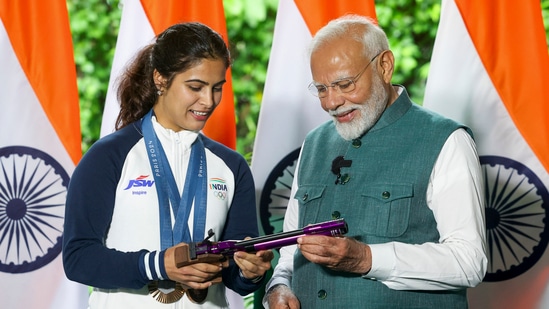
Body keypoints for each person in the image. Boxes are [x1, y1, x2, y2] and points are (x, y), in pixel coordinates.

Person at [264, 15, 487, 309]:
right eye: (321, 88)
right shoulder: (314, 142)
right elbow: (291, 249)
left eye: (344, 84)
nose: (331, 102)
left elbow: (469, 262)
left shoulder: (446, 140)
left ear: (384, 66)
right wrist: (279, 287)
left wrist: (366, 259)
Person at [63, 22, 273, 309]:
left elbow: (236, 275)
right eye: (195, 87)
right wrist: (158, 264)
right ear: (160, 80)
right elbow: (78, 258)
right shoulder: (108, 156)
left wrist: (251, 272)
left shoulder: (231, 166)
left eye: (217, 88)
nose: (208, 101)